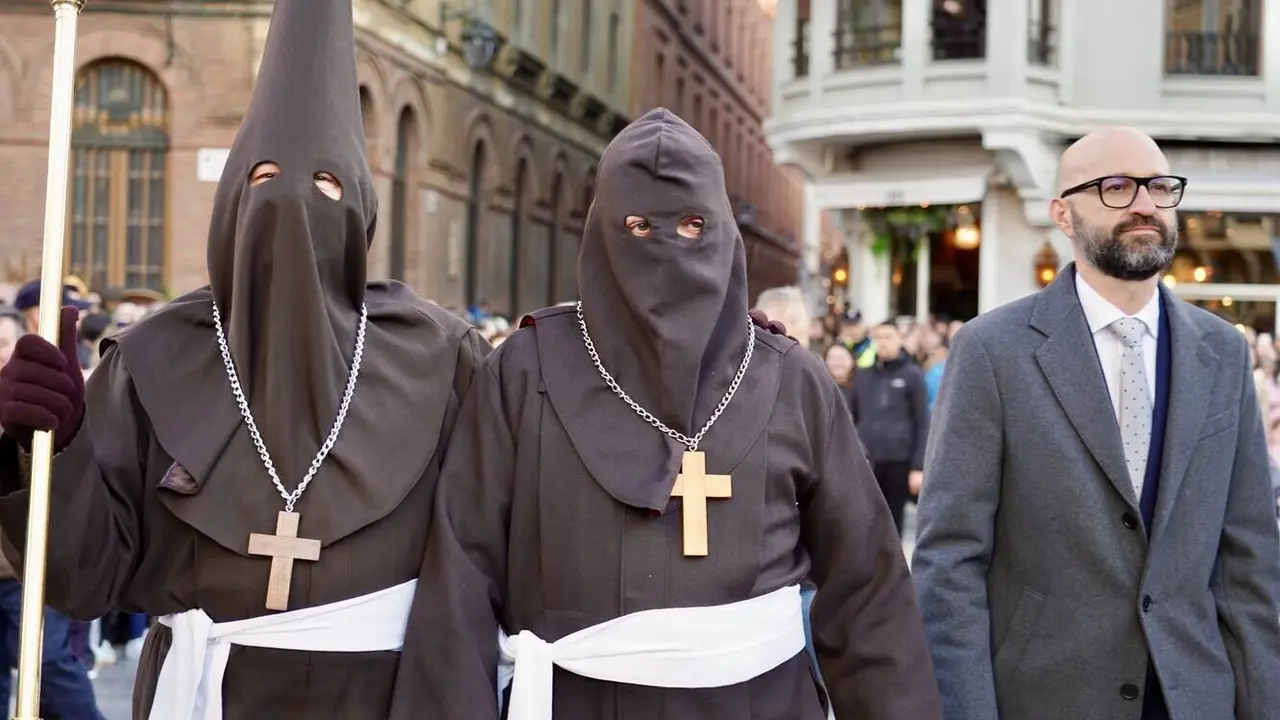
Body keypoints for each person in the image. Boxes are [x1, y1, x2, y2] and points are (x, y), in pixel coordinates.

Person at [0, 0, 487, 717]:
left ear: (359, 206)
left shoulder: (442, 358)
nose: (292, 203)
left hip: (382, 700)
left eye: (324, 185)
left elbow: (484, 554)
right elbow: (86, 581)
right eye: (264, 178)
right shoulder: (151, 358)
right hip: (202, 695)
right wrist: (48, 446)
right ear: (231, 201)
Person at [391, 108, 940, 720]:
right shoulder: (525, 372)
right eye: (638, 226)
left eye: (691, 225)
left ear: (723, 232)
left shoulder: (790, 379)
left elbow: (868, 592)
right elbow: (460, 583)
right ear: (601, 234)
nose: (668, 250)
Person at [912, 126, 1280, 720]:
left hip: (1193, 696)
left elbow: (1249, 559)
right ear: (1062, 214)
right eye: (1115, 187)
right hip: (1046, 698)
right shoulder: (992, 350)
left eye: (1160, 188)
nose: (1144, 204)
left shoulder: (1222, 350)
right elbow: (949, 564)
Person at [849, 321, 929, 531]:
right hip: (867, 460)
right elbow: (851, 417)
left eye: (888, 337)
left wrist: (918, 466)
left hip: (899, 460)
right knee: (865, 520)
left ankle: (893, 563)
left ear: (899, 340)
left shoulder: (912, 375)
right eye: (878, 337)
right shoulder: (863, 375)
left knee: (893, 522)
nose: (883, 343)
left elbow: (922, 422)